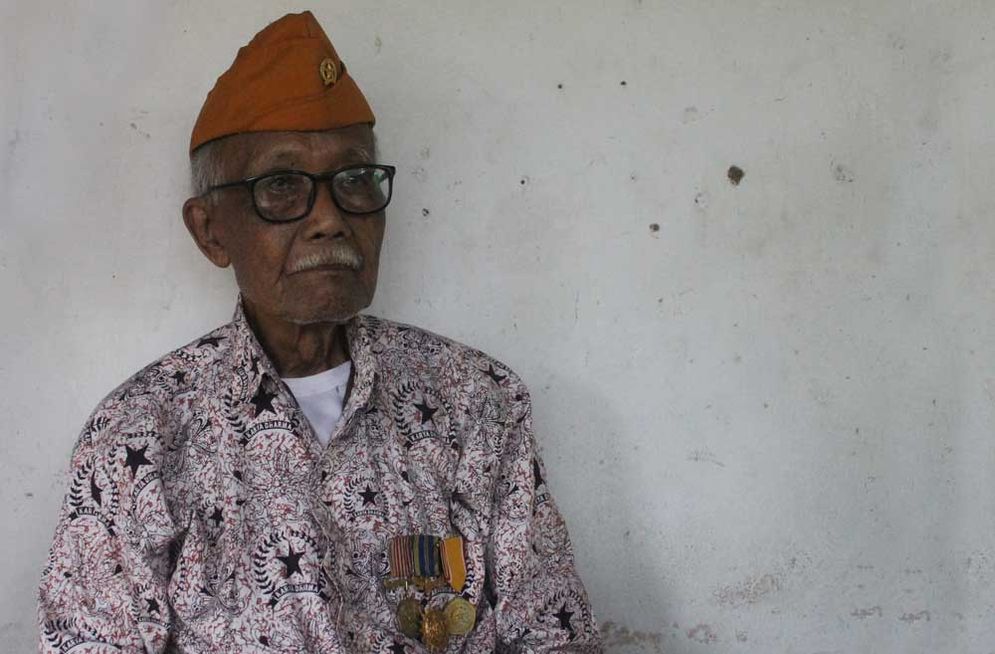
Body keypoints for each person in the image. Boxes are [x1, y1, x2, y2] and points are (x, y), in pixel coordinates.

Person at [37, 11, 601, 653]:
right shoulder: (139, 435)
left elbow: (553, 635)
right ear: (210, 231)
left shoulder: (475, 400)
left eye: (354, 180)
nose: (330, 219)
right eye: (281, 186)